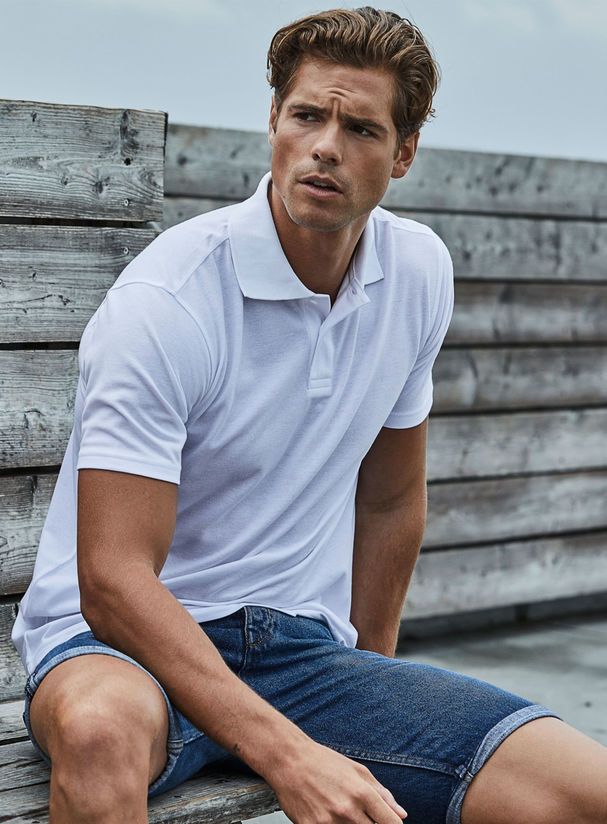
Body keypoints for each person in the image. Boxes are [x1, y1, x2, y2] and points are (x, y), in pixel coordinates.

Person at [12, 6, 607, 824]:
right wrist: (290, 754)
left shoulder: (416, 272)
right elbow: (112, 581)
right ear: (273, 121)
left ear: (403, 153)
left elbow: (388, 500)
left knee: (582, 794)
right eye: (305, 116)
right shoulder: (169, 300)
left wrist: (372, 689)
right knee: (99, 733)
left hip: (298, 651)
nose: (325, 146)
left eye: (360, 128)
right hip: (118, 649)